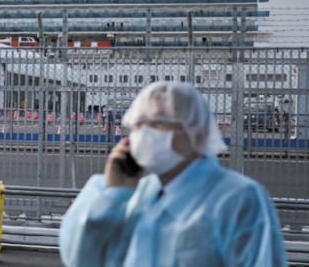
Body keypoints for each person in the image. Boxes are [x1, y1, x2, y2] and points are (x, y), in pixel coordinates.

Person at [60, 81, 286, 266]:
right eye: (139, 124)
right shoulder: (138, 193)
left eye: (159, 123)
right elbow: (83, 259)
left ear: (197, 133)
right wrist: (114, 195)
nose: (144, 134)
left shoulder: (237, 198)